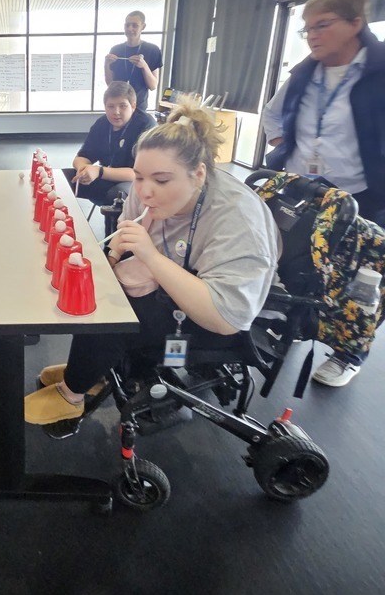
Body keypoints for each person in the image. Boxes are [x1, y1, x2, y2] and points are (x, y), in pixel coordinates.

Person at [24, 97, 279, 425]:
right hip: (181, 282)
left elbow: (226, 319)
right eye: (139, 177)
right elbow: (125, 237)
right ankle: (88, 371)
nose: (144, 191)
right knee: (102, 285)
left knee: (120, 307)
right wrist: (110, 259)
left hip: (216, 319)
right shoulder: (147, 190)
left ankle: (73, 394)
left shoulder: (236, 218)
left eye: (161, 181)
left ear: (198, 174)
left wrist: (150, 258)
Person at [262, 0, 385, 387]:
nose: (312, 35)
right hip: (303, 188)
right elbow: (273, 114)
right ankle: (296, 323)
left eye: (322, 25)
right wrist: (284, 146)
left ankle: (348, 353)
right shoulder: (304, 72)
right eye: (307, 28)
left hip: (359, 193)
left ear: (355, 23)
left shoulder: (379, 70)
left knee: (360, 279)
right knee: (297, 263)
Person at [63, 81, 155, 214]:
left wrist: (99, 171)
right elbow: (82, 157)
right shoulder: (102, 124)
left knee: (116, 196)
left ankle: (113, 233)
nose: (116, 112)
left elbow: (139, 173)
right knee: (61, 179)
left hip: (132, 182)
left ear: (133, 106)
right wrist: (83, 169)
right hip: (103, 177)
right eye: (110, 106)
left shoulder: (146, 126)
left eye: (122, 106)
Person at [104, 10, 162, 111]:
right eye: (127, 25)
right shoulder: (116, 50)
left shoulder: (152, 50)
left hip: (139, 108)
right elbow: (110, 84)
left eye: (134, 25)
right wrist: (106, 64)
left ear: (143, 27)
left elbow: (153, 86)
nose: (130, 29)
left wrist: (144, 66)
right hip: (118, 108)